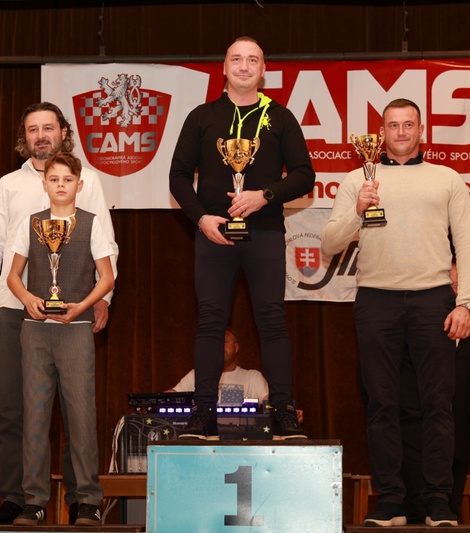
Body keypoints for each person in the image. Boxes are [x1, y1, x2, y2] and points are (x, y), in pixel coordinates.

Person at [321, 98, 470, 527]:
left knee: (439, 404)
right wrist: (357, 211)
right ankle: (390, 499)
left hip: (434, 299)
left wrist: (466, 302)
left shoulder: (447, 178)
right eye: (393, 125)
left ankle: (438, 501)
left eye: (409, 124)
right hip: (376, 300)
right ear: (382, 133)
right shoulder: (358, 179)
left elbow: (469, 245)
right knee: (381, 404)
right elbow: (329, 243)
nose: (402, 132)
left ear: (421, 130)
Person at [0, 102, 118, 524]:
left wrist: (103, 299)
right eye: (33, 129)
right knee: (13, 408)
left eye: (48, 128)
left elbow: (105, 241)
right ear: (25, 137)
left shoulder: (88, 179)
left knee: (76, 410)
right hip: (15, 308)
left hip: (73, 309)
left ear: (62, 133)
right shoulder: (9, 184)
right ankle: (20, 498)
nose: (41, 135)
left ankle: (80, 500)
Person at [169, 36, 315, 441]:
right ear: (224, 68)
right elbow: (178, 176)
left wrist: (264, 195)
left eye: (253, 60)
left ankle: (283, 411)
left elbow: (304, 174)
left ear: (263, 70)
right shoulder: (202, 117)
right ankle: (202, 413)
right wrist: (201, 219)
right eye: (237, 59)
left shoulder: (280, 117)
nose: (245, 66)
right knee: (210, 322)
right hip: (214, 235)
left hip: (264, 232)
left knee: (272, 321)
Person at [6, 152, 115, 526]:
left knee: (81, 417)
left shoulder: (91, 223)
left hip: (76, 330)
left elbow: (107, 277)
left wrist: (82, 306)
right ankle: (35, 500)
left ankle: (87, 500)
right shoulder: (31, 223)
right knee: (35, 417)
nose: (61, 185)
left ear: (79, 185)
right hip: (35, 332)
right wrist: (28, 298)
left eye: (68, 179)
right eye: (54, 179)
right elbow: (13, 276)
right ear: (44, 183)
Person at [400, 263, 470, 523]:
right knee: (417, 516)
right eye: (449, 285)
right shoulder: (413, 328)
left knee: (449, 517)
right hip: (417, 444)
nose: (455, 291)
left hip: (458, 444)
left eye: (460, 286)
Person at [167, 328, 269, 404]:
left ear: (236, 347)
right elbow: (169, 397)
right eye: (216, 343)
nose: (219, 346)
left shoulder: (253, 377)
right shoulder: (197, 375)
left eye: (224, 342)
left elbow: (270, 401)